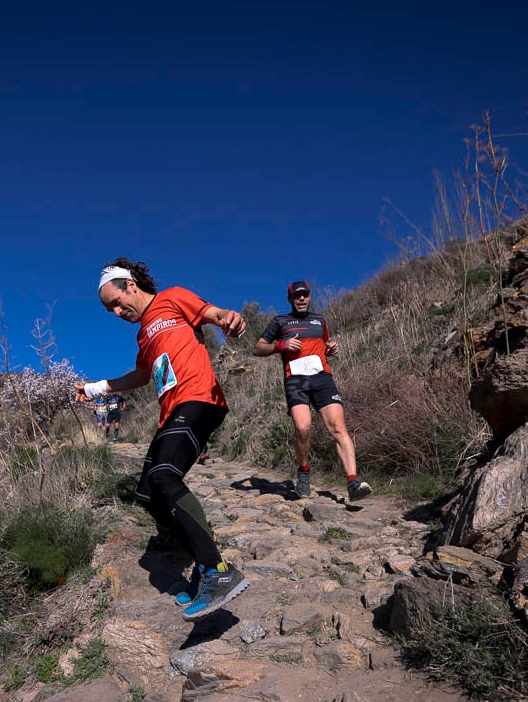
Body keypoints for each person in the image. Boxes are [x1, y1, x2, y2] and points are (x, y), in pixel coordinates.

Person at [77, 258, 249, 621]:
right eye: (110, 310)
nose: (117, 312)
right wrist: (96, 388)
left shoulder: (172, 298)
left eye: (116, 303)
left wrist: (228, 319)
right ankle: (202, 564)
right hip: (171, 412)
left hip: (199, 398)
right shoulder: (144, 334)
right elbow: (141, 375)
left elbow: (213, 313)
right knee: (149, 495)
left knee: (165, 475)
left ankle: (217, 570)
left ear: (131, 285)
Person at [253, 280, 372, 505]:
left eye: (305, 294)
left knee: (338, 427)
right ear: (290, 299)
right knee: (302, 428)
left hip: (321, 378)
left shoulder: (320, 320)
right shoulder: (280, 321)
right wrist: (281, 346)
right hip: (295, 380)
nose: (301, 298)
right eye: (297, 295)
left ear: (309, 297)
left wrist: (329, 349)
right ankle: (304, 470)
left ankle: (353, 483)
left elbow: (323, 346)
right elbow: (258, 348)